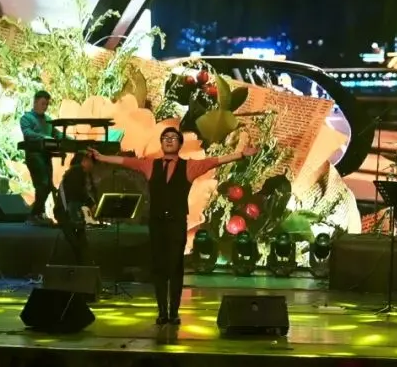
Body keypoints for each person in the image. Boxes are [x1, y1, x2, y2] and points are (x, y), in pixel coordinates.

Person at [89, 128, 258, 326]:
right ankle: (162, 312)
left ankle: (174, 312)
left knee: (175, 267)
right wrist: (101, 157)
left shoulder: (189, 166)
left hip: (176, 222)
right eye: (165, 138)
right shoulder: (150, 164)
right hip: (157, 222)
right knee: (159, 268)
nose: (169, 141)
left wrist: (240, 155)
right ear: (161, 143)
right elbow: (125, 162)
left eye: (173, 138)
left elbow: (215, 161)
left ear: (180, 143)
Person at [19, 90, 65, 226]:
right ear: (35, 102)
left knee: (48, 186)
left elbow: (57, 134)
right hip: (34, 156)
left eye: (47, 104)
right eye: (43, 103)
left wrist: (71, 139)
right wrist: (44, 137)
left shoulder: (48, 120)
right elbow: (28, 133)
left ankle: (38, 213)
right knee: (42, 184)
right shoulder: (26, 118)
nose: (45, 107)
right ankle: (35, 214)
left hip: (46, 156)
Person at [55, 152, 98, 264]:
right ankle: (81, 265)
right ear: (85, 160)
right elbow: (77, 192)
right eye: (92, 162)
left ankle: (83, 264)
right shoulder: (77, 172)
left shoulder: (76, 172)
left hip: (68, 212)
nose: (93, 166)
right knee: (78, 243)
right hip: (66, 213)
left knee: (79, 242)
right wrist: (91, 204)